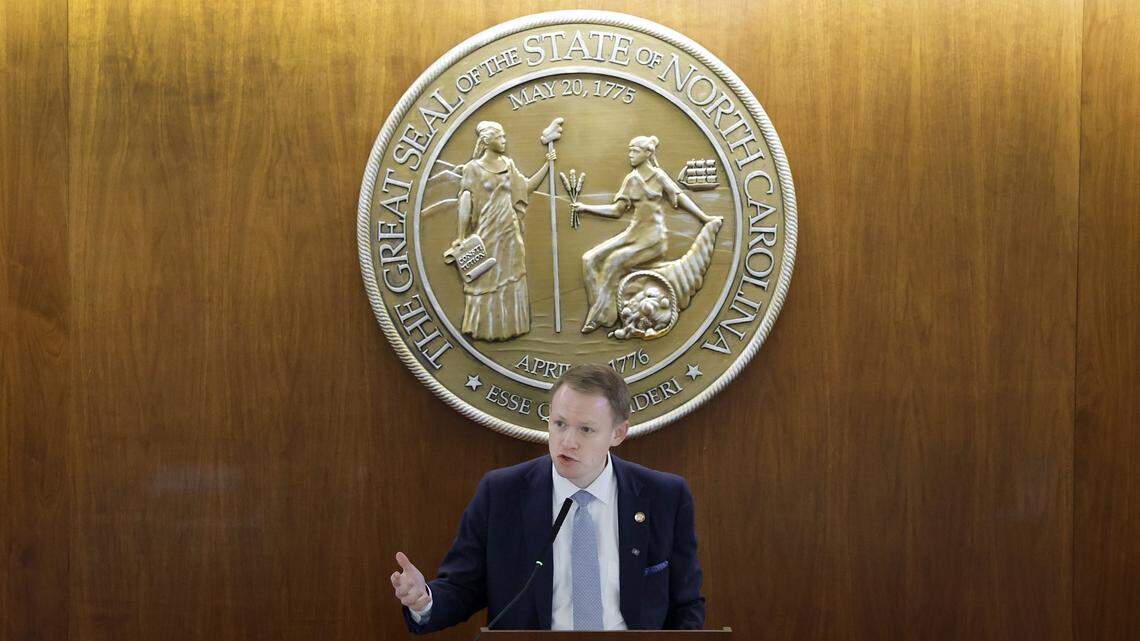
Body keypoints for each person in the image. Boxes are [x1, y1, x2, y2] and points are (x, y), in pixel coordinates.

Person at [390, 364, 705, 632]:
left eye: (586, 429)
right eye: (560, 424)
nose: (568, 441)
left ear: (618, 433)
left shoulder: (664, 496)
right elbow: (462, 587)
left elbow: (686, 606)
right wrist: (425, 600)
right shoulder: (501, 494)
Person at [571, 135, 720, 333]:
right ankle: (601, 308)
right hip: (633, 234)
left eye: (635, 150)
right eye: (630, 150)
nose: (630, 155)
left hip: (652, 239)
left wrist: (704, 217)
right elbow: (617, 211)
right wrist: (585, 208)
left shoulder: (658, 176)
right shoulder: (631, 179)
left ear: (648, 153)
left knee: (614, 262)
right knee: (589, 259)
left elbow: (680, 198)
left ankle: (602, 318)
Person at [449, 121, 555, 341]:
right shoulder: (472, 168)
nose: (504, 141)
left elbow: (526, 187)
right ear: (487, 141)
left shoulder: (508, 165)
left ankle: (510, 327)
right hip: (487, 232)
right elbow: (466, 202)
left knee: (511, 275)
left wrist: (547, 165)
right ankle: (484, 329)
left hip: (509, 232)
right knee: (485, 276)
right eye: (500, 137)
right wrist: (461, 236)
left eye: (504, 136)